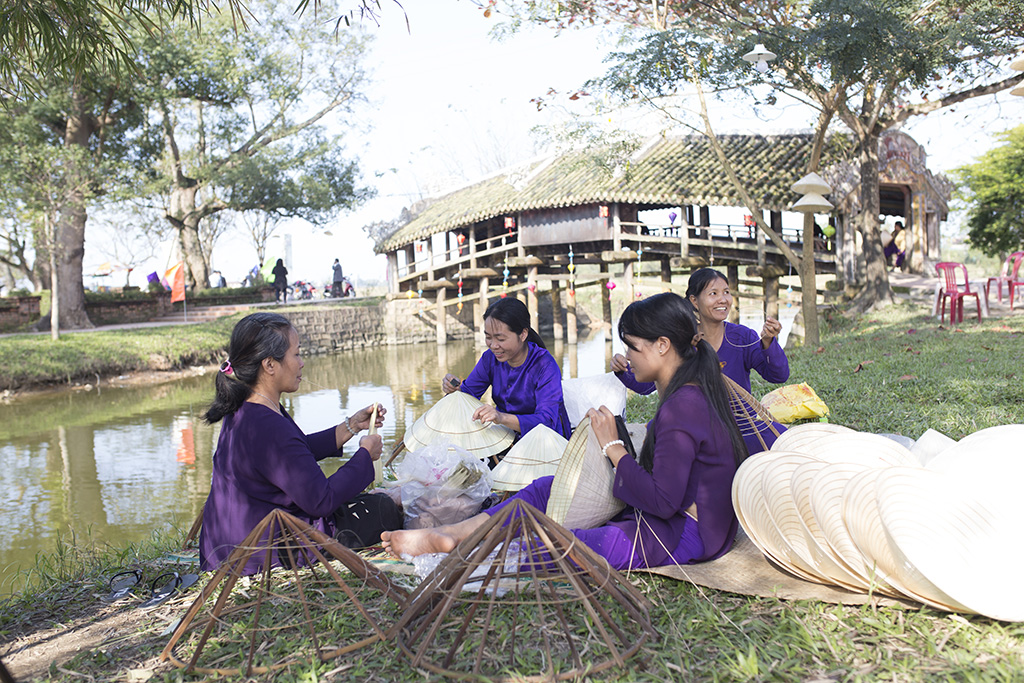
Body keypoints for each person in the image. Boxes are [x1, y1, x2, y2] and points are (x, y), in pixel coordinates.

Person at [383, 292, 747, 570]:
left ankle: (465, 547)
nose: (627, 356)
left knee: (565, 546)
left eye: (632, 346)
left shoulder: (684, 404)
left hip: (688, 532)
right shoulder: (687, 392)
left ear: (663, 346)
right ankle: (454, 535)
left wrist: (613, 447)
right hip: (672, 514)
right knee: (546, 488)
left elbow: (663, 502)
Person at [199, 312, 402, 574]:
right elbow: (322, 501)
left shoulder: (246, 407)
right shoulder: (267, 424)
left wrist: (350, 427)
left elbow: (293, 455)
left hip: (226, 548)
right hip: (266, 552)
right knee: (382, 508)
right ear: (270, 365)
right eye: (296, 354)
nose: (302, 363)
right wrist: (364, 455)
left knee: (371, 501)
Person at [612, 268, 789, 452]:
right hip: (695, 427)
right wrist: (622, 369)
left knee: (781, 437)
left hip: (741, 427)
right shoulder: (681, 341)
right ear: (694, 301)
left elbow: (779, 375)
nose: (723, 299)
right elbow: (646, 386)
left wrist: (769, 342)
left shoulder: (742, 337)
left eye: (726, 292)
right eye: (713, 293)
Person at [442, 297, 571, 440]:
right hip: (505, 436)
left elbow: (547, 421)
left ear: (523, 334)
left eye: (501, 339)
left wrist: (501, 417)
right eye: (488, 337)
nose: (493, 345)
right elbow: (467, 396)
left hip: (545, 442)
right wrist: (454, 390)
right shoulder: (489, 358)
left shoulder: (545, 365)